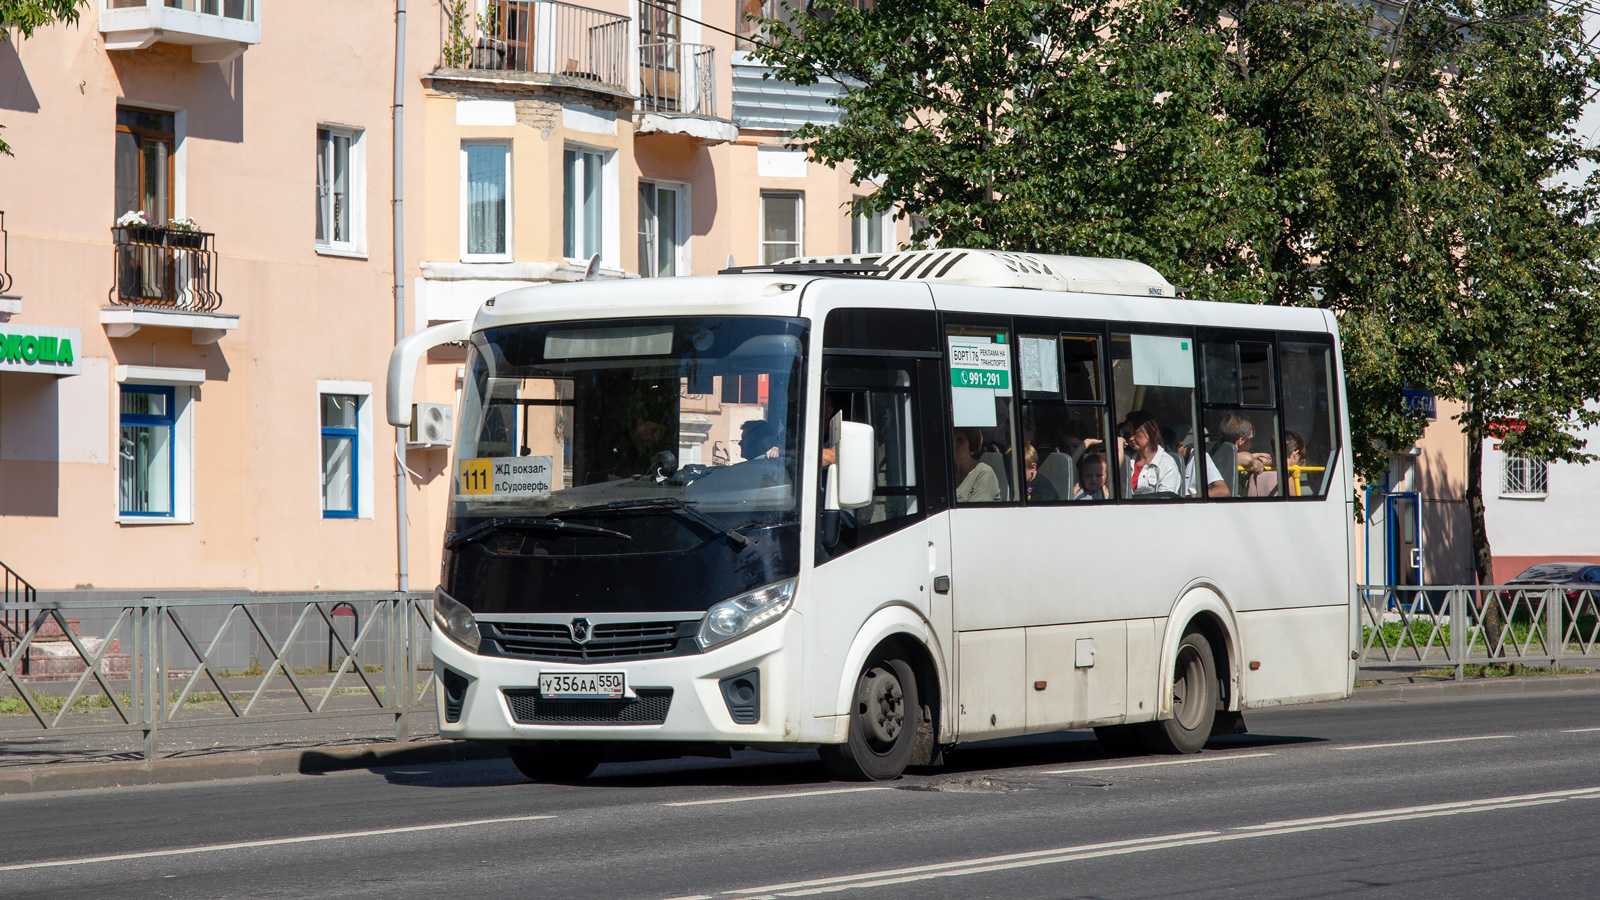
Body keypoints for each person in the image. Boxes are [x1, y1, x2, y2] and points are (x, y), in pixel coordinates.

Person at [1119, 410, 1181, 496]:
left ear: (1151, 430)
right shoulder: (1126, 461)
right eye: (1129, 434)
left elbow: (1165, 500)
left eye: (1136, 433)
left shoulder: (1167, 464)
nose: (1131, 438)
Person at [954, 428, 1001, 503]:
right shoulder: (947, 474)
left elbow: (975, 511)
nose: (954, 444)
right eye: (951, 439)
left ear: (972, 443)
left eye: (960, 439)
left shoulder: (984, 473)